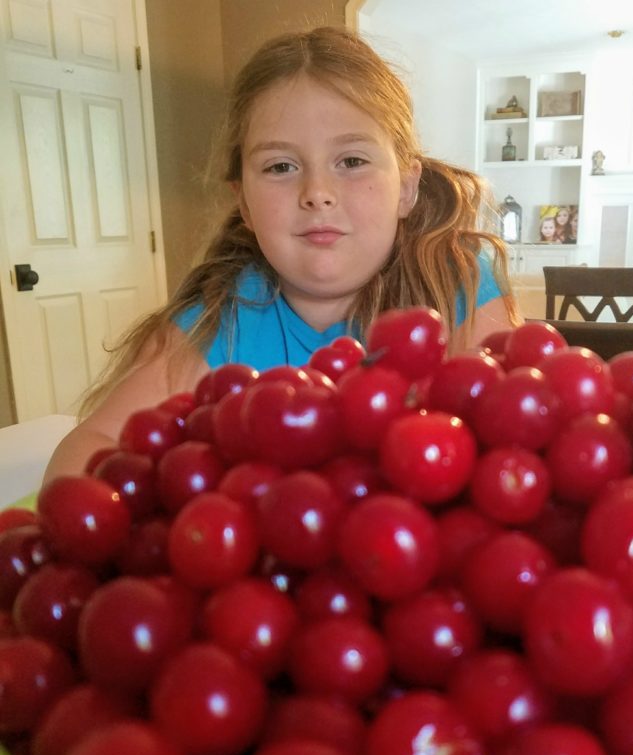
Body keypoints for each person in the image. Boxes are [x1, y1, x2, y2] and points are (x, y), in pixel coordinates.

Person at [45, 25, 517, 480]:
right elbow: (88, 451)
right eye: (281, 166)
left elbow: (517, 442)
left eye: (351, 161)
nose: (317, 192)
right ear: (244, 203)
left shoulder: (459, 286)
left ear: (407, 188)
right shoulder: (213, 322)